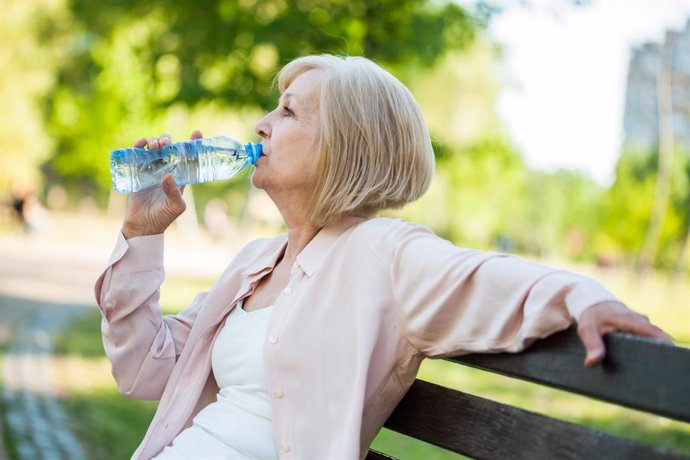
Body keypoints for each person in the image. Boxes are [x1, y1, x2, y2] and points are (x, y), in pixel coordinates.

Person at [95, 54, 672, 460]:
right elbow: (144, 367)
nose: (260, 126)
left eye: (289, 112)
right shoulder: (255, 262)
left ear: (344, 147)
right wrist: (142, 233)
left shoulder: (383, 255)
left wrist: (583, 298)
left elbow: (485, 279)